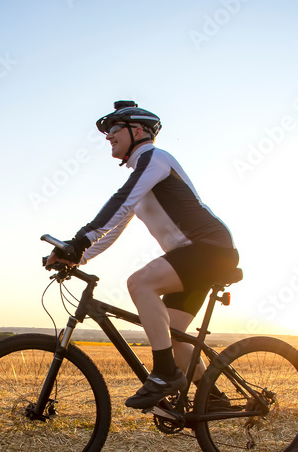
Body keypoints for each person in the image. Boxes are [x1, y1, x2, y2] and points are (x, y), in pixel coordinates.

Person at [46, 100, 240, 410]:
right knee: (175, 336)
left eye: (114, 129)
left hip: (209, 249)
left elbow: (119, 202)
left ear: (138, 130)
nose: (108, 136)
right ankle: (213, 400)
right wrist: (77, 257)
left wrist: (79, 240)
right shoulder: (142, 176)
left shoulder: (155, 158)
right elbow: (114, 227)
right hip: (196, 258)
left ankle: (164, 373)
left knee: (140, 283)